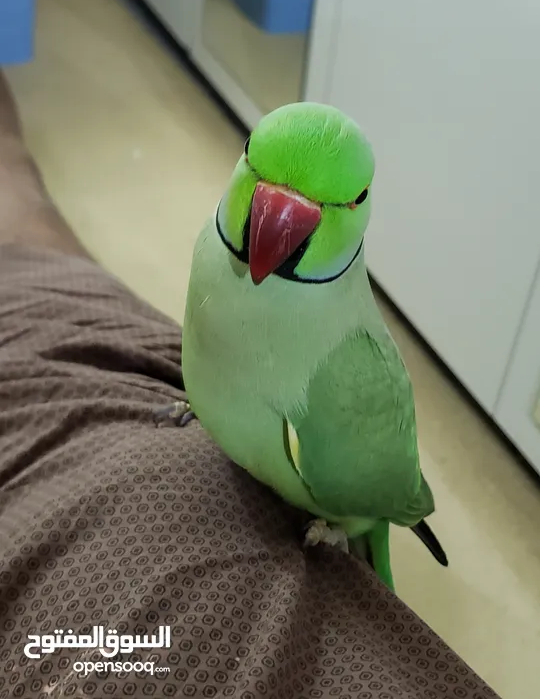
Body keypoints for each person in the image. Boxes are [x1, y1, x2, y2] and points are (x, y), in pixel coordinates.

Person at [0, 72, 498, 699]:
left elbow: (372, 492)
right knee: (59, 285)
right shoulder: (214, 247)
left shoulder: (345, 373)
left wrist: (349, 523)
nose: (279, 216)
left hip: (341, 507)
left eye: (327, 204)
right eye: (257, 173)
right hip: (210, 416)